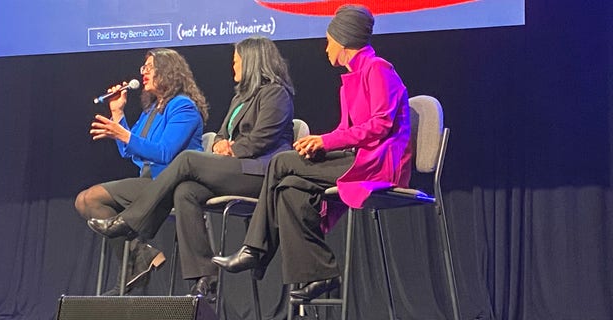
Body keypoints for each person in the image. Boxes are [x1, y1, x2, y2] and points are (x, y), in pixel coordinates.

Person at [211, 4, 413, 301]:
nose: (326, 45)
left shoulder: (378, 69)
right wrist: (319, 141)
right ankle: (321, 274)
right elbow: (348, 130)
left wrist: (326, 143)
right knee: (290, 190)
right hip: (358, 157)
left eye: (329, 39)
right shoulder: (351, 79)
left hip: (378, 164)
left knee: (281, 162)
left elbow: (380, 125)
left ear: (343, 41)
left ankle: (254, 249)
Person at [87, 36, 295, 299]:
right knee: (185, 191)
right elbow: (221, 132)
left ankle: (130, 222)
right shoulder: (241, 98)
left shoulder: (275, 93)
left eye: (237, 62)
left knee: (186, 159)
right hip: (235, 168)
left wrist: (234, 149)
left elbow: (264, 137)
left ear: (253, 61)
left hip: (259, 173)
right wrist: (220, 143)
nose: (233, 68)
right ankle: (204, 280)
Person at [75, 48, 209, 295]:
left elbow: (165, 152)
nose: (143, 73)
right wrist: (118, 113)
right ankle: (140, 256)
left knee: (90, 197)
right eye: (143, 68)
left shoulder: (183, 107)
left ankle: (138, 261)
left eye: (149, 67)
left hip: (170, 183)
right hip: (148, 181)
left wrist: (123, 135)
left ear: (168, 71)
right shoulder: (152, 110)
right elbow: (130, 151)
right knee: (85, 201)